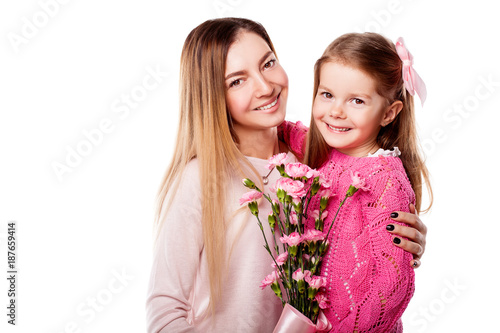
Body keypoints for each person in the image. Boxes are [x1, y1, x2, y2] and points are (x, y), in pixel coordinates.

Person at [146, 18, 427, 333]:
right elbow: (165, 317)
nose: (265, 87)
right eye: (237, 81)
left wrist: (392, 248)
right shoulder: (201, 179)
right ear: (213, 97)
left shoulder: (312, 162)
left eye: (268, 64)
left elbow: (349, 254)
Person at [280, 32, 433, 331]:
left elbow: (391, 288)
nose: (336, 111)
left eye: (357, 100)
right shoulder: (321, 150)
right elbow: (287, 131)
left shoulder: (385, 179)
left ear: (389, 113)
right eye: (327, 94)